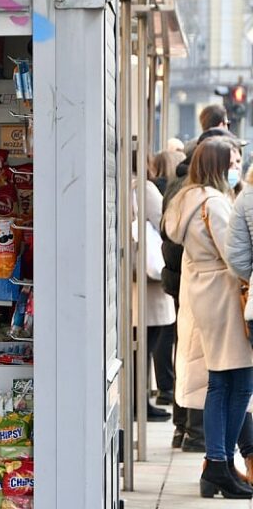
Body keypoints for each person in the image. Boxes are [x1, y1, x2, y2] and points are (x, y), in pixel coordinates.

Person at [164, 137, 253, 499]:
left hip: (202, 294)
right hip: (225, 296)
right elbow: (233, 253)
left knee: (220, 382)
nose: (236, 169)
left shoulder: (185, 199)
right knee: (241, 384)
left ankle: (217, 465)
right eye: (231, 162)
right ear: (217, 165)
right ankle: (218, 463)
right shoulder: (214, 203)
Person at [132, 168, 176, 421]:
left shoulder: (123, 185)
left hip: (136, 281)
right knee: (147, 343)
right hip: (149, 282)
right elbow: (164, 222)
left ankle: (140, 401)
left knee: (142, 344)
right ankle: (140, 402)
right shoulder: (144, 187)